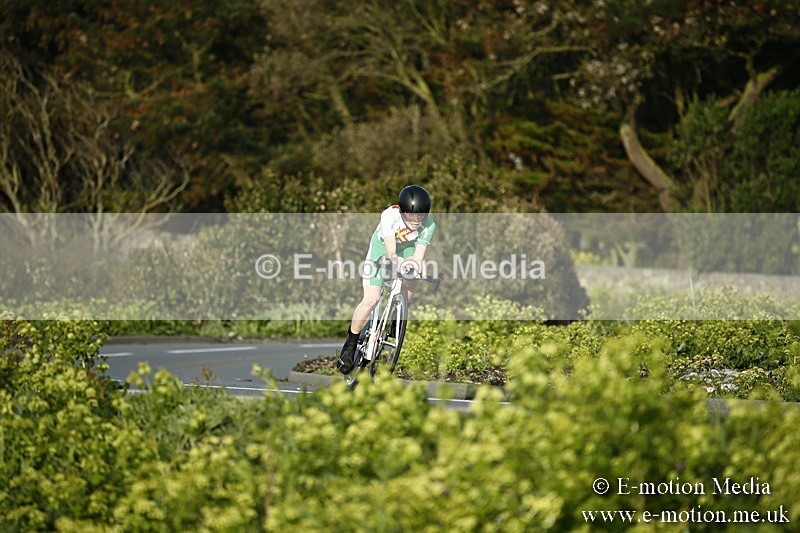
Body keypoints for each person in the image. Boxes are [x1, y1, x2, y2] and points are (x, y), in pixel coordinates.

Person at [336, 184, 436, 375]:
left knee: (413, 274)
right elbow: (390, 252)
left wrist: (414, 267)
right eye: (411, 215)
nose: (416, 220)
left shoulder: (429, 224)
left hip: (406, 248)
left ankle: (398, 315)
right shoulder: (389, 216)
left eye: (421, 216)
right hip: (382, 248)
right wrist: (396, 262)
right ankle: (350, 343)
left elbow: (418, 255)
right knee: (371, 300)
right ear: (402, 211)